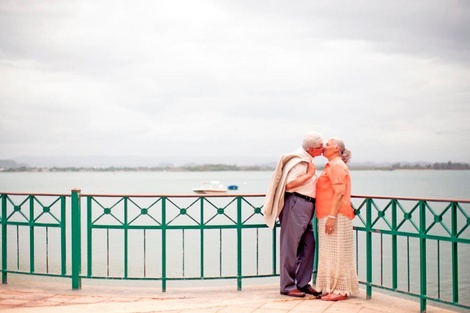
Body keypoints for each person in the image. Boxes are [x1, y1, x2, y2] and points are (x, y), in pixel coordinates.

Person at [263, 131, 324, 297]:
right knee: (289, 246)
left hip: (306, 205)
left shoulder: (307, 159)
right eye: (320, 147)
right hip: (296, 203)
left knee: (309, 244)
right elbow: (289, 185)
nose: (323, 149)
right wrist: (310, 175)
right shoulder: (299, 162)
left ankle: (303, 283)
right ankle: (288, 286)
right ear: (311, 149)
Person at [314, 137, 359, 301]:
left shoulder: (338, 166)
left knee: (338, 253)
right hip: (327, 214)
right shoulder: (331, 165)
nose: (324, 146)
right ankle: (331, 287)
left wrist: (332, 216)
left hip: (336, 215)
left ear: (337, 149)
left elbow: (339, 192)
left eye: (328, 144)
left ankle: (340, 291)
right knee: (330, 254)